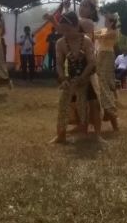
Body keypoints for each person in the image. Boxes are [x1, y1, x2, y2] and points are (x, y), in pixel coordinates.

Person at [50, 12, 106, 145]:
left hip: (88, 76)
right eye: (62, 30)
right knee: (63, 104)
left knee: (94, 106)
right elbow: (58, 64)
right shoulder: (60, 43)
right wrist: (63, 79)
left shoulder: (86, 40)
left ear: (76, 27)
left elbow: (92, 62)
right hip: (71, 78)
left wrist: (81, 79)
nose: (65, 33)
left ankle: (98, 135)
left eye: (68, 30)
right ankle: (61, 135)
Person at [92, 10, 120, 130]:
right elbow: (94, 33)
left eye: (106, 21)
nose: (104, 22)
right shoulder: (104, 30)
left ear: (111, 22)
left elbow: (97, 36)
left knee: (104, 81)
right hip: (100, 55)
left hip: (108, 56)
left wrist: (89, 33)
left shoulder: (114, 32)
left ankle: (112, 114)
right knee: (99, 79)